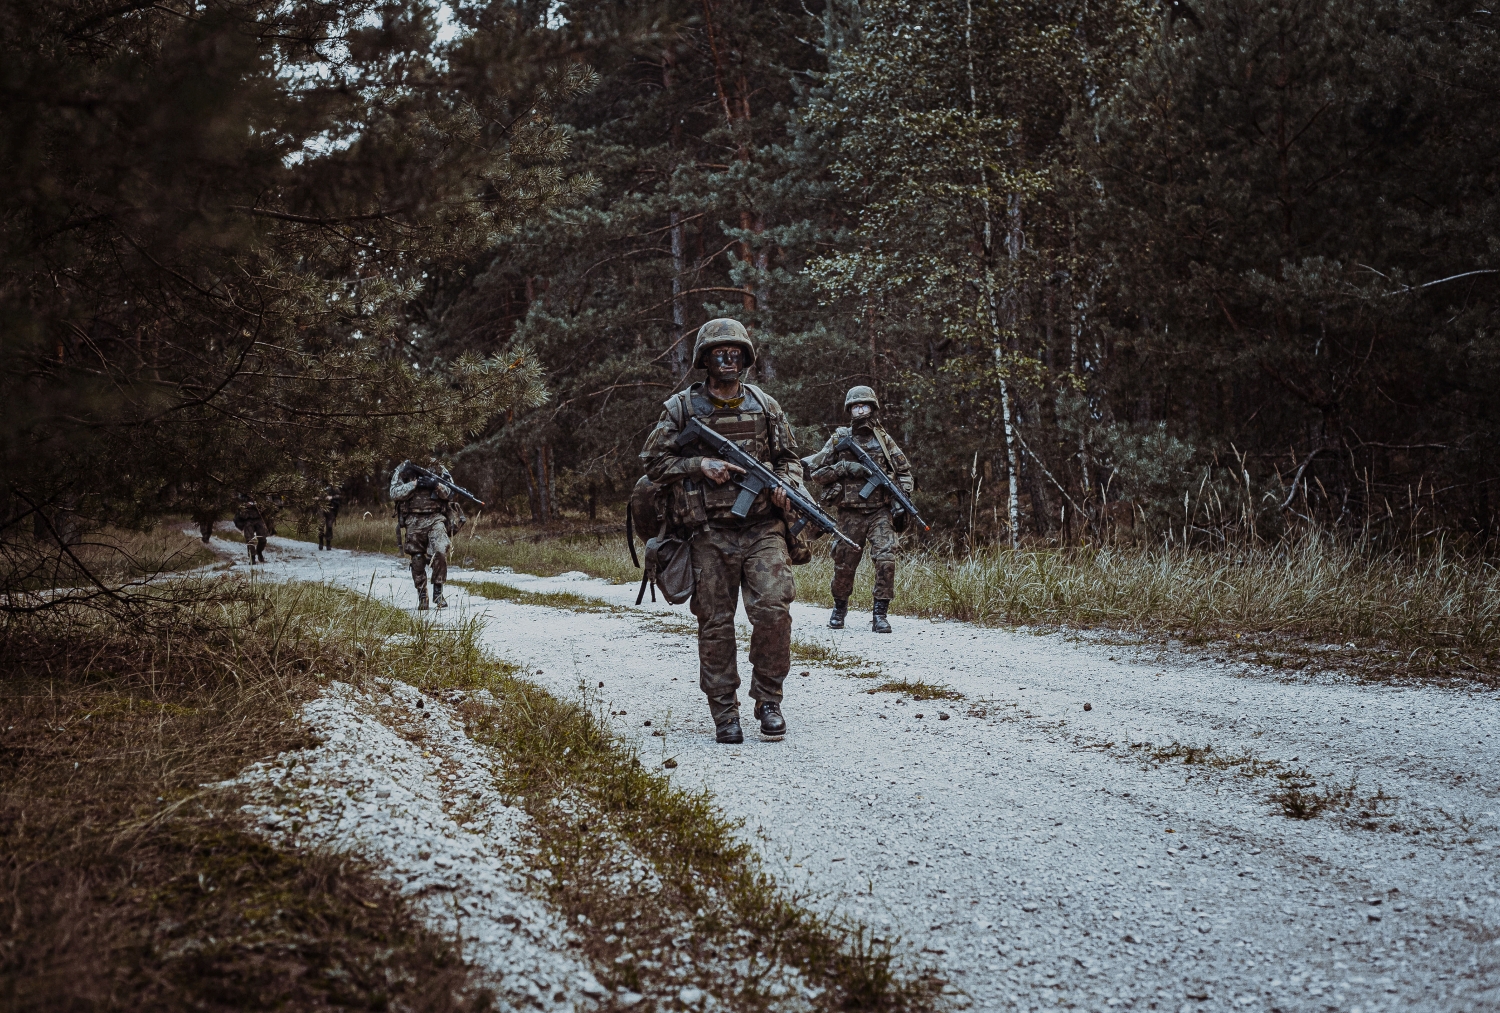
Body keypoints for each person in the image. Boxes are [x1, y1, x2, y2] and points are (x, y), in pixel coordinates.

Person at [639, 318, 807, 744]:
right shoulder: (681, 409)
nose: (728, 359)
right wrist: (699, 465)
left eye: (735, 352)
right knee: (715, 623)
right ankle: (724, 710)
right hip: (707, 533)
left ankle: (769, 699)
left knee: (773, 609)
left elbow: (790, 458)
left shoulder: (766, 406)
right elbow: (653, 463)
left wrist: (788, 488)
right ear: (705, 359)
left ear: (746, 358)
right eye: (720, 353)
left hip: (762, 528)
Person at [803, 385, 915, 633]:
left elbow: (904, 472)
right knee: (844, 564)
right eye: (856, 406)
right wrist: (843, 468)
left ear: (873, 408)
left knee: (886, 558)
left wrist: (901, 497)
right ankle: (839, 608)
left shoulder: (884, 440)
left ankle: (880, 614)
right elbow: (815, 472)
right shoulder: (840, 439)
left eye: (864, 405)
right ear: (849, 410)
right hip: (849, 512)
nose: (860, 410)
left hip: (880, 512)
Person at [390, 459, 462, 610]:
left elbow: (450, 493)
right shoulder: (404, 468)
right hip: (413, 519)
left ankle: (438, 590)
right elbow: (394, 493)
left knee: (440, 551)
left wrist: (435, 485)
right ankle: (422, 595)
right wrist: (415, 484)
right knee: (417, 559)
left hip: (436, 518)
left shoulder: (438, 468)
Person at [233, 494, 270, 564]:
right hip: (247, 520)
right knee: (250, 539)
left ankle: (259, 552)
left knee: (263, 539)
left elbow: (266, 507)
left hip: (258, 519)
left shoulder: (259, 493)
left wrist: (257, 505)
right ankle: (252, 557)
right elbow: (238, 510)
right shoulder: (241, 496)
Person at [316, 484, 343, 550]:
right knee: (321, 525)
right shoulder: (318, 484)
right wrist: (318, 498)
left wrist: (331, 497)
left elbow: (339, 496)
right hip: (321, 507)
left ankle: (328, 543)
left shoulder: (334, 486)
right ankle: (321, 542)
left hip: (331, 508)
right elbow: (313, 496)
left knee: (329, 526)